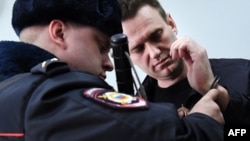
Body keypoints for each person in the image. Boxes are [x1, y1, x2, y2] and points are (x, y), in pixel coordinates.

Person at [0, 0, 225, 141]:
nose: (108, 63)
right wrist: (202, 122)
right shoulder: (53, 97)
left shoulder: (11, 93)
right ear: (59, 33)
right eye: (101, 47)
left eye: (156, 35)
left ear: (171, 24)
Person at [119, 0, 250, 124]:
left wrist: (213, 89)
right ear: (129, 57)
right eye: (138, 48)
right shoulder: (136, 118)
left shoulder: (244, 73)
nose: (154, 53)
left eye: (156, 35)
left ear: (171, 24)